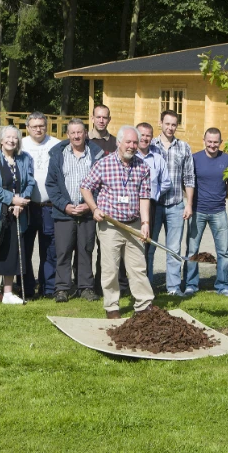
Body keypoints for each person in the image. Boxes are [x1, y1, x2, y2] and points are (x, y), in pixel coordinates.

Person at [79, 126, 156, 319]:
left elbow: (144, 197)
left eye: (135, 143)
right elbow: (85, 187)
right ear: (119, 143)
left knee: (138, 267)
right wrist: (94, 208)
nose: (132, 146)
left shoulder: (143, 167)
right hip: (110, 225)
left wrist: (145, 222)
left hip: (134, 224)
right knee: (110, 268)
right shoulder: (103, 164)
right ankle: (112, 307)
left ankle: (144, 305)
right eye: (128, 142)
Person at [46, 119, 104, 303]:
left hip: (87, 212)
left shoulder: (95, 154)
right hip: (64, 212)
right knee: (63, 251)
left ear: (85, 133)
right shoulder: (58, 155)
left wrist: (90, 204)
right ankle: (62, 288)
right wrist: (64, 205)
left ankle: (85, 287)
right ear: (68, 135)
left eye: (80, 132)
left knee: (86, 250)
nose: (77, 136)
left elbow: (102, 184)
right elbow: (51, 185)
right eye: (73, 133)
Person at [0, 125, 35, 305]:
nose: (11, 140)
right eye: (8, 137)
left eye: (15, 137)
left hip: (16, 214)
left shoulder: (25, 158)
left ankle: (8, 293)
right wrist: (12, 199)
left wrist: (21, 202)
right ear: (1, 140)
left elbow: (30, 182)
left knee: (12, 252)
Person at [149, 110, 196, 295]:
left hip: (176, 204)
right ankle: (147, 286)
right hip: (154, 205)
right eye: (167, 124)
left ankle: (174, 288)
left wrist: (189, 203)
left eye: (173, 124)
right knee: (150, 247)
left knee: (174, 249)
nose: (170, 128)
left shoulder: (184, 147)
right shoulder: (151, 145)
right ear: (160, 123)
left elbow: (189, 178)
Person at [184, 128, 228, 295]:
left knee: (223, 251)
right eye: (209, 141)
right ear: (204, 140)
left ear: (221, 142)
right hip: (198, 210)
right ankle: (191, 284)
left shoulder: (227, 159)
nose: (212, 145)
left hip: (219, 211)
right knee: (192, 250)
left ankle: (223, 285)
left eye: (216, 142)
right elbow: (188, 182)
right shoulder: (195, 159)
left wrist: (220, 193)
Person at [21, 111, 59, 298]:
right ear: (27, 127)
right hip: (27, 206)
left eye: (41, 125)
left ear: (47, 126)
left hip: (49, 206)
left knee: (50, 250)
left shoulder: (56, 145)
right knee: (26, 249)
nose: (38, 129)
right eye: (34, 126)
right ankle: (27, 288)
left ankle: (48, 287)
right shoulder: (20, 144)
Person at [136, 121, 171, 285]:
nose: (144, 138)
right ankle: (127, 284)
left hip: (152, 206)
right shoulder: (129, 156)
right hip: (130, 206)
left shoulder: (157, 158)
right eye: (141, 135)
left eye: (148, 135)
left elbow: (166, 182)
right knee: (130, 247)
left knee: (149, 246)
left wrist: (152, 195)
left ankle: (147, 284)